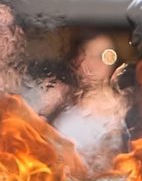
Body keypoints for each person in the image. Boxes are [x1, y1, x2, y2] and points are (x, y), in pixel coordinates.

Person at [46, 31, 132, 173]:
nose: (93, 64)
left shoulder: (127, 109)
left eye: (103, 56)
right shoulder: (58, 102)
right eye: (86, 55)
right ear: (76, 59)